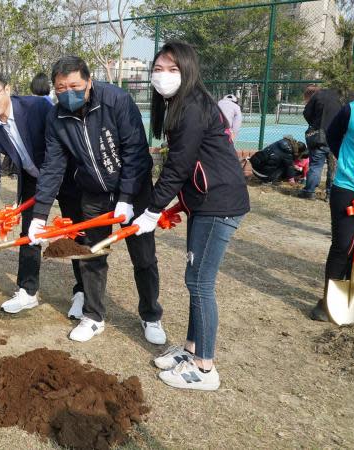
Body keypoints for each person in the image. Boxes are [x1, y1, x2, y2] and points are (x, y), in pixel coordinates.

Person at [132, 41, 249, 390]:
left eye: (173, 69)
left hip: (219, 203)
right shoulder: (179, 104)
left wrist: (151, 210)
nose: (163, 76)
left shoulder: (194, 107)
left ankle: (204, 368)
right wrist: (163, 205)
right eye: (158, 69)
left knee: (200, 283)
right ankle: (191, 350)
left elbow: (178, 166)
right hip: (204, 201)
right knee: (194, 277)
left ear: (188, 72)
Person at [29, 56, 165, 345]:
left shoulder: (116, 100)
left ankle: (150, 314)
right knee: (92, 255)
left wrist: (127, 197)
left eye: (75, 86)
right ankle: (93, 316)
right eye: (61, 88)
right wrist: (39, 215)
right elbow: (53, 166)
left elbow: (135, 152)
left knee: (143, 257)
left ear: (89, 82)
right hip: (93, 193)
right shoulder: (56, 118)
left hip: (135, 192)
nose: (68, 92)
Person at [0, 69, 85, 316]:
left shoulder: (36, 107)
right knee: (30, 233)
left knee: (77, 231)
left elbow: (62, 145)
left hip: (66, 175)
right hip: (34, 178)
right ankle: (27, 291)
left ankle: (83, 292)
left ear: (8, 90)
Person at [312, 96, 354, 322]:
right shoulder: (351, 111)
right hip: (348, 185)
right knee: (343, 243)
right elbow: (332, 136)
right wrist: (347, 161)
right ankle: (329, 301)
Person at [299, 84, 342, 200]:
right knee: (333, 167)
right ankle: (330, 194)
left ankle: (309, 192)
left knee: (316, 166)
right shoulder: (336, 96)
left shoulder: (316, 97)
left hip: (319, 138)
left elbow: (306, 113)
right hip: (336, 137)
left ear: (309, 95)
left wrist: (314, 123)